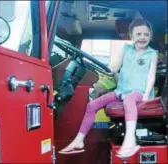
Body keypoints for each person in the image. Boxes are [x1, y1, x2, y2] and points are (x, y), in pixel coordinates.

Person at [58, 18, 158, 158]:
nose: (142, 37)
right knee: (92, 105)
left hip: (139, 92)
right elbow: (115, 66)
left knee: (129, 100)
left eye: (146, 35)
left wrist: (146, 95)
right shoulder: (126, 49)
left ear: (150, 36)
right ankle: (79, 140)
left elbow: (151, 76)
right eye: (138, 34)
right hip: (121, 90)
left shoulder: (152, 54)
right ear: (132, 35)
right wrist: (110, 69)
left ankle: (130, 141)